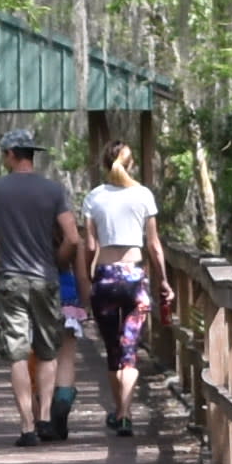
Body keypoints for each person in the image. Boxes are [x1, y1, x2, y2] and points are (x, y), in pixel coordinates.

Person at [0, 129, 83, 440]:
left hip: (10, 277)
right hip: (45, 279)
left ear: (10, 154)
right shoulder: (53, 190)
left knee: (18, 353)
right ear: (31, 155)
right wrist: (57, 261)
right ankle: (46, 416)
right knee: (48, 352)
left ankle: (27, 426)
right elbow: (73, 238)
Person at [76, 134, 161, 439]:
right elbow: (154, 245)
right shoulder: (143, 195)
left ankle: (118, 410)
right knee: (130, 353)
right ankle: (124, 413)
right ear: (131, 163)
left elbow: (89, 246)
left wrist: (86, 279)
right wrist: (163, 281)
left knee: (113, 352)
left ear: (104, 164)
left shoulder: (94, 197)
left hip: (106, 279)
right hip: (135, 278)